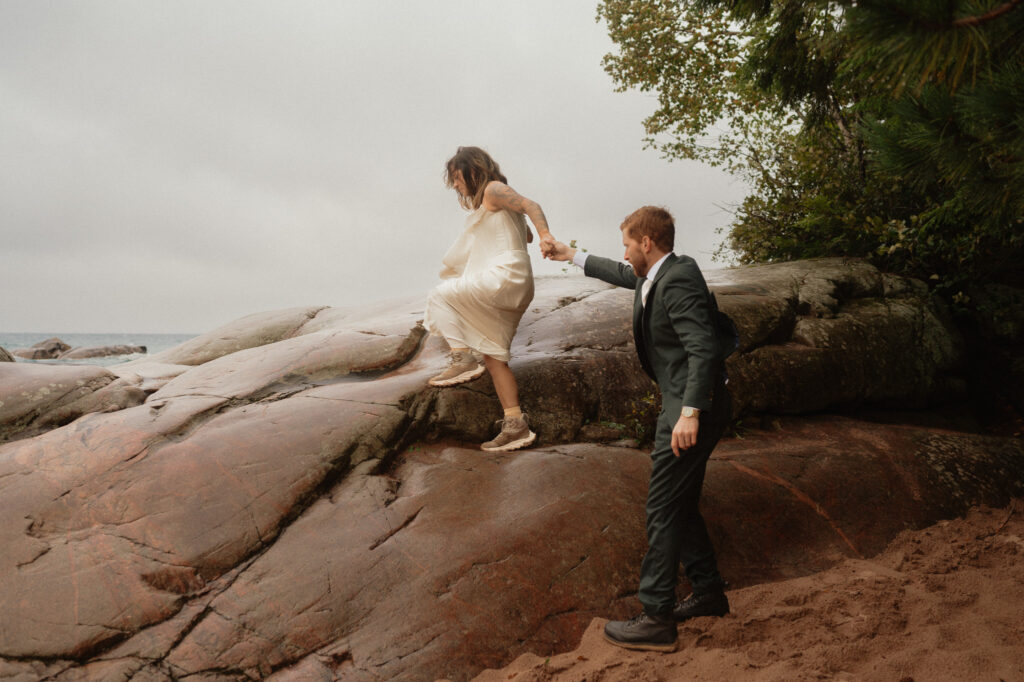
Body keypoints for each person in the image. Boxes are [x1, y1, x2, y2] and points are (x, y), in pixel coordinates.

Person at [546, 206, 732, 652]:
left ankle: (655, 618)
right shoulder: (655, 276)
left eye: (628, 244)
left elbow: (702, 347)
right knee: (680, 503)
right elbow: (621, 273)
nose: (625, 252)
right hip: (683, 405)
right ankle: (707, 593)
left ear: (646, 243)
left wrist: (689, 413)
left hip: (692, 408)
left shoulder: (680, 278)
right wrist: (569, 254)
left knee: (662, 506)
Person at [424, 146, 556, 452]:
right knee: (495, 358)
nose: (455, 185)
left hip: (505, 275)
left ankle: (462, 358)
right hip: (511, 279)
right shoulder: (491, 204)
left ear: (472, 171)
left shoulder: (494, 190)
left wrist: (546, 234)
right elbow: (524, 234)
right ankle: (516, 425)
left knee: (440, 296)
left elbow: (530, 205)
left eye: (456, 178)